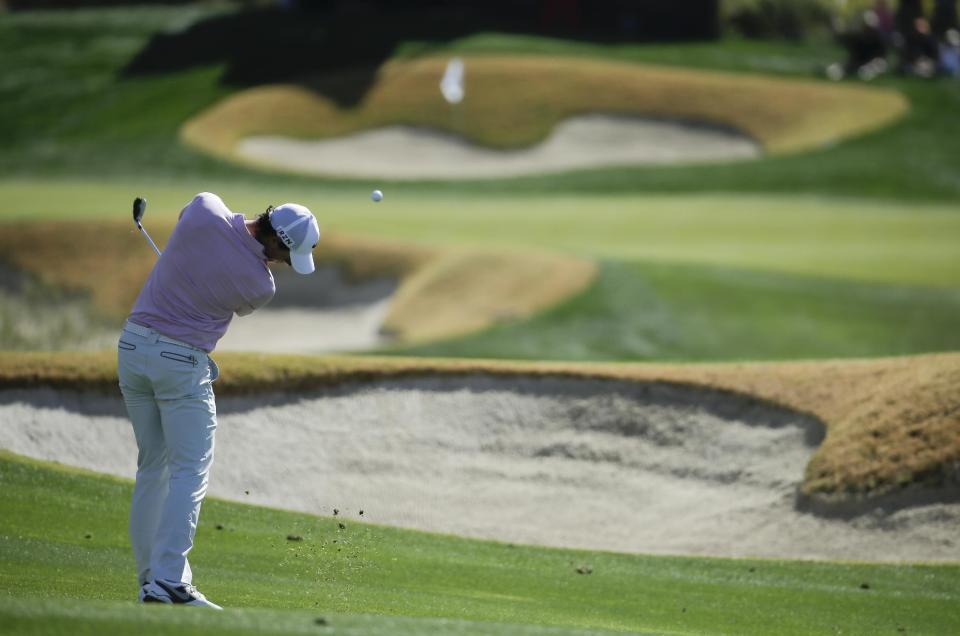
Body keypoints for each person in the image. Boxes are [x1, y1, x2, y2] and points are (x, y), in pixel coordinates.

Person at [117, 192, 320, 609]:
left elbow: (197, 224)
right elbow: (236, 286)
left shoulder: (206, 208)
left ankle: (150, 583)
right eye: (286, 254)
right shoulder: (260, 285)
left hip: (132, 349)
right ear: (276, 242)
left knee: (152, 467)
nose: (282, 263)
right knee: (190, 471)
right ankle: (169, 579)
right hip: (180, 363)